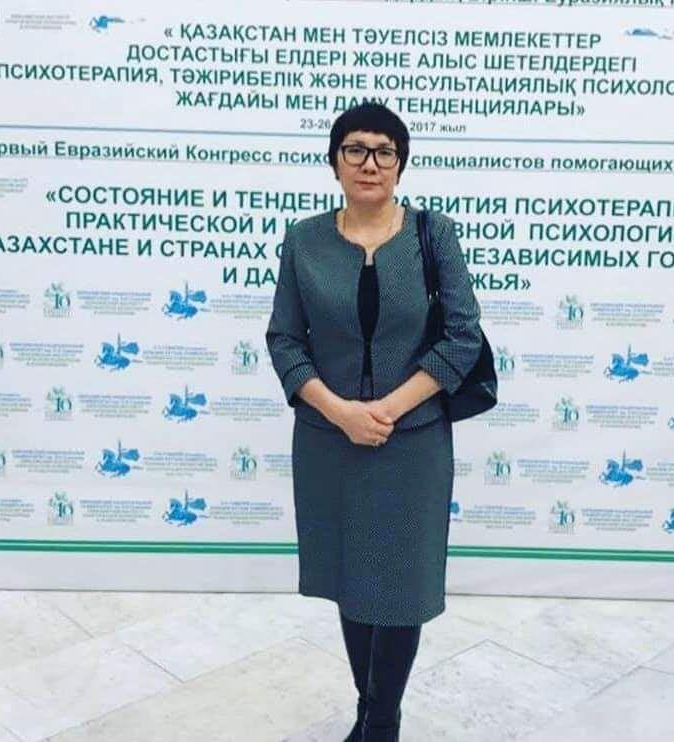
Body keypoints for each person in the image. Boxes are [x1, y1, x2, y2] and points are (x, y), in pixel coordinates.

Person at [265, 102, 483, 742]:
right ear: (334, 161)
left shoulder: (432, 234)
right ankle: (369, 711)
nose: (370, 163)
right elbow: (285, 340)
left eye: (385, 151)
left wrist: (386, 409)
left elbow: (463, 336)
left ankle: (382, 722)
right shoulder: (304, 240)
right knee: (351, 577)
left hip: (411, 441)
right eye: (356, 149)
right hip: (329, 440)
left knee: (401, 584)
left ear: (400, 165)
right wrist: (340, 412)